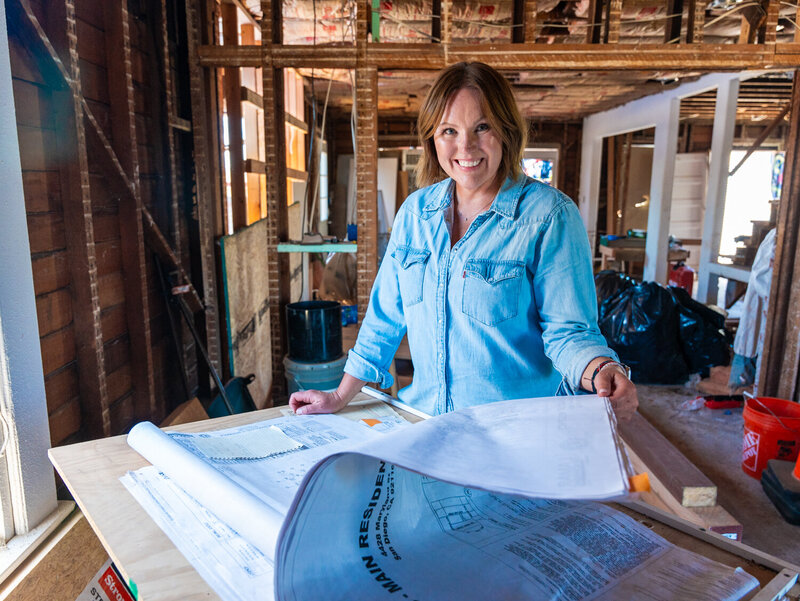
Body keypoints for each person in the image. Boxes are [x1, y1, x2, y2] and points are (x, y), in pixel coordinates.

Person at [290, 62, 638, 420]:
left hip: (517, 430)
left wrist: (601, 370)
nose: (465, 146)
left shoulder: (548, 216)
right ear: (432, 138)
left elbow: (570, 331)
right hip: (427, 421)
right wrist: (339, 395)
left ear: (506, 130)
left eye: (482, 127)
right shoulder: (415, 214)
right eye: (449, 130)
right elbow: (384, 319)